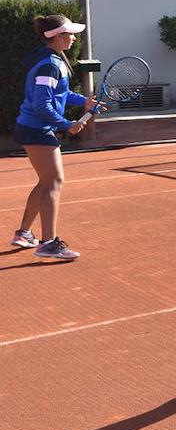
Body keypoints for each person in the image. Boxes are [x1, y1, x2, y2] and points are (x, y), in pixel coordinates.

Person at [10, 15, 99, 260]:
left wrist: (85, 101)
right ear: (57, 36)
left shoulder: (52, 60)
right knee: (54, 181)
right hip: (37, 128)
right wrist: (66, 125)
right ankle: (48, 243)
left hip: (35, 127)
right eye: (69, 34)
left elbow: (61, 92)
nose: (73, 38)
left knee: (46, 181)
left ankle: (24, 233)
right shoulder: (49, 64)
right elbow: (42, 105)